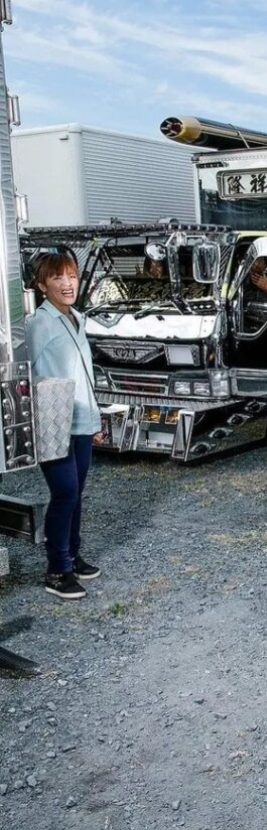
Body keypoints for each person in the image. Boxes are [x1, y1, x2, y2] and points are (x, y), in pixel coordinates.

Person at [26, 254, 103, 601]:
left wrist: (95, 419)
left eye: (71, 276)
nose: (68, 283)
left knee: (76, 493)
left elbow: (85, 375)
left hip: (80, 419)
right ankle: (57, 570)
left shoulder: (76, 318)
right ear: (42, 286)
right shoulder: (38, 324)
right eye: (57, 278)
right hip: (51, 419)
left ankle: (71, 554)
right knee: (65, 493)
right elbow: (21, 371)